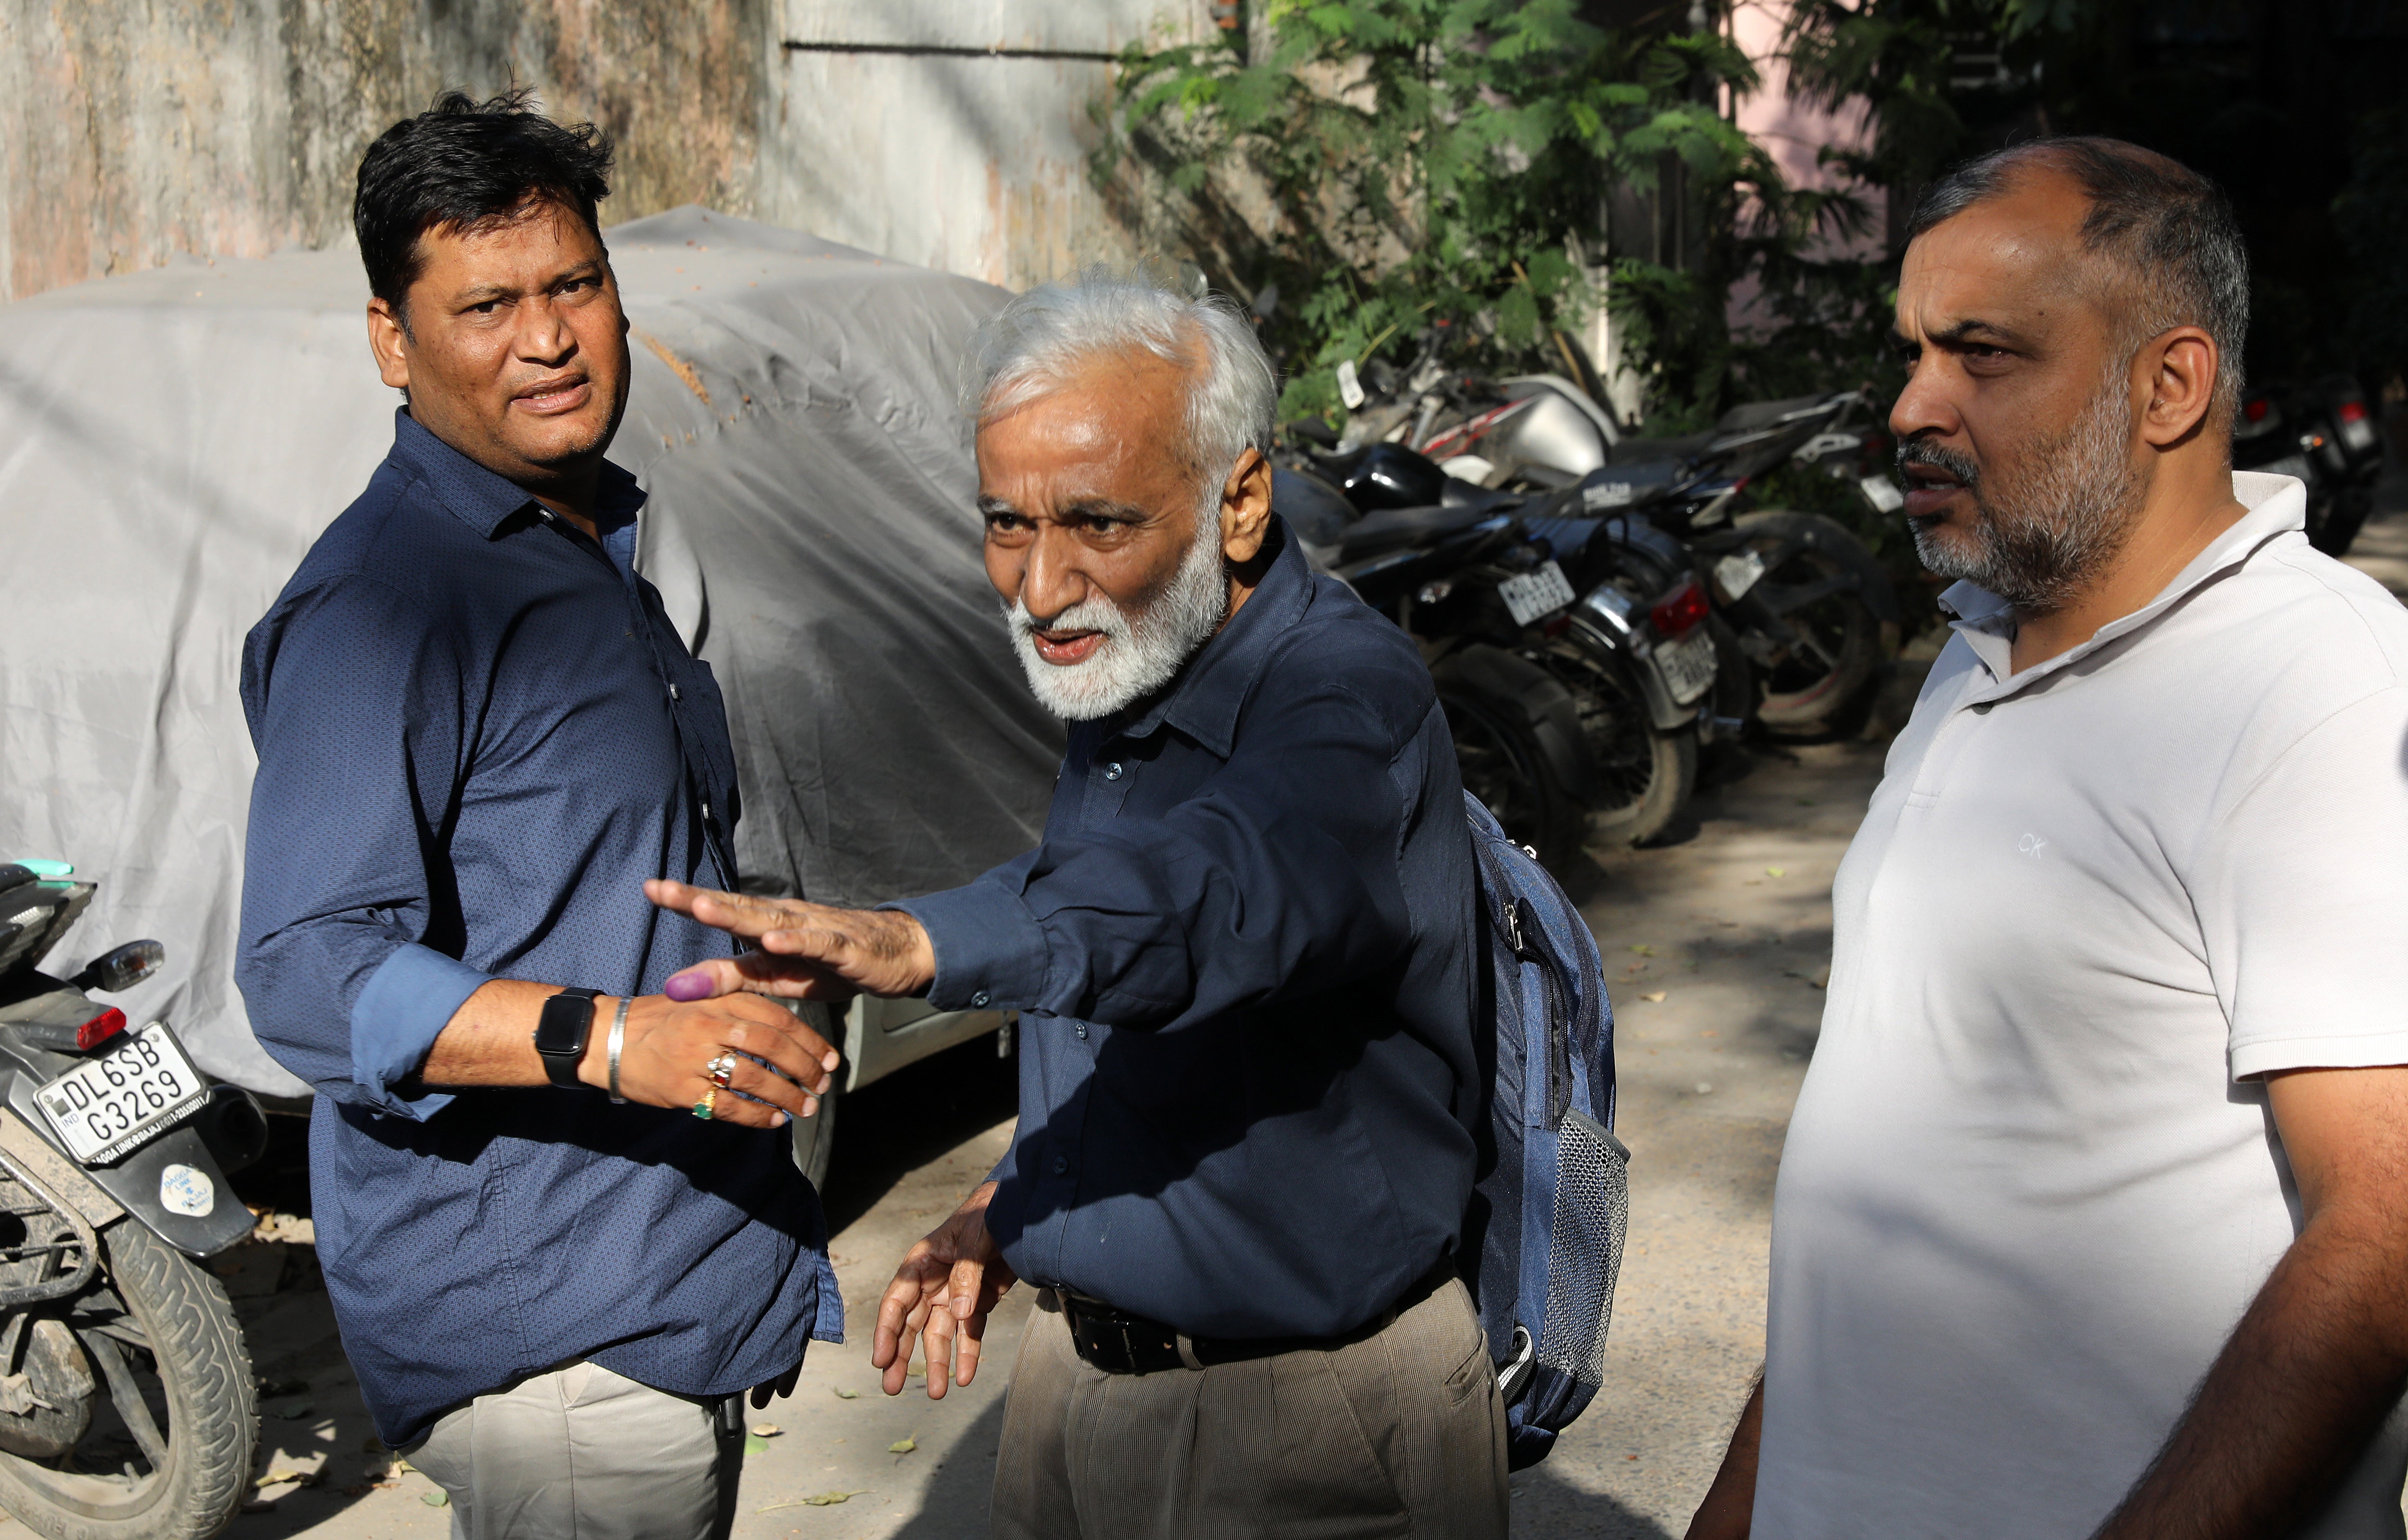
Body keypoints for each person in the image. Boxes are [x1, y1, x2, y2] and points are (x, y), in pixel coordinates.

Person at [646, 273, 1509, 1538]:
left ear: (1242, 499)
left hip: (1306, 1424)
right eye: (1006, 522)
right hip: (1079, 1395)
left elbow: (1205, 899)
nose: (1041, 586)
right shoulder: (1133, 666)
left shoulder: (1344, 703)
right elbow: (1122, 1004)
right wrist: (1010, 1210)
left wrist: (918, 942)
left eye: (1097, 524)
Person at [1684, 137, 2408, 1540]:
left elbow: (2384, 1234)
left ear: (2171, 385)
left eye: (1984, 356)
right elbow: (1905, 1178)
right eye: (1912, 353)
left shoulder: (2319, 688)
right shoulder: (1974, 652)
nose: (1911, 406)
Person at [235, 90, 842, 1540]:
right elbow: (306, 966)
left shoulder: (587, 540)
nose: (550, 338)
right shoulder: (384, 601)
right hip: (559, 1336)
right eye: (487, 304)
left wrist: (742, 972)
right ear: (395, 339)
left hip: (665, 1279)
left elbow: (580, 878)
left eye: (575, 284)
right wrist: (616, 1038)